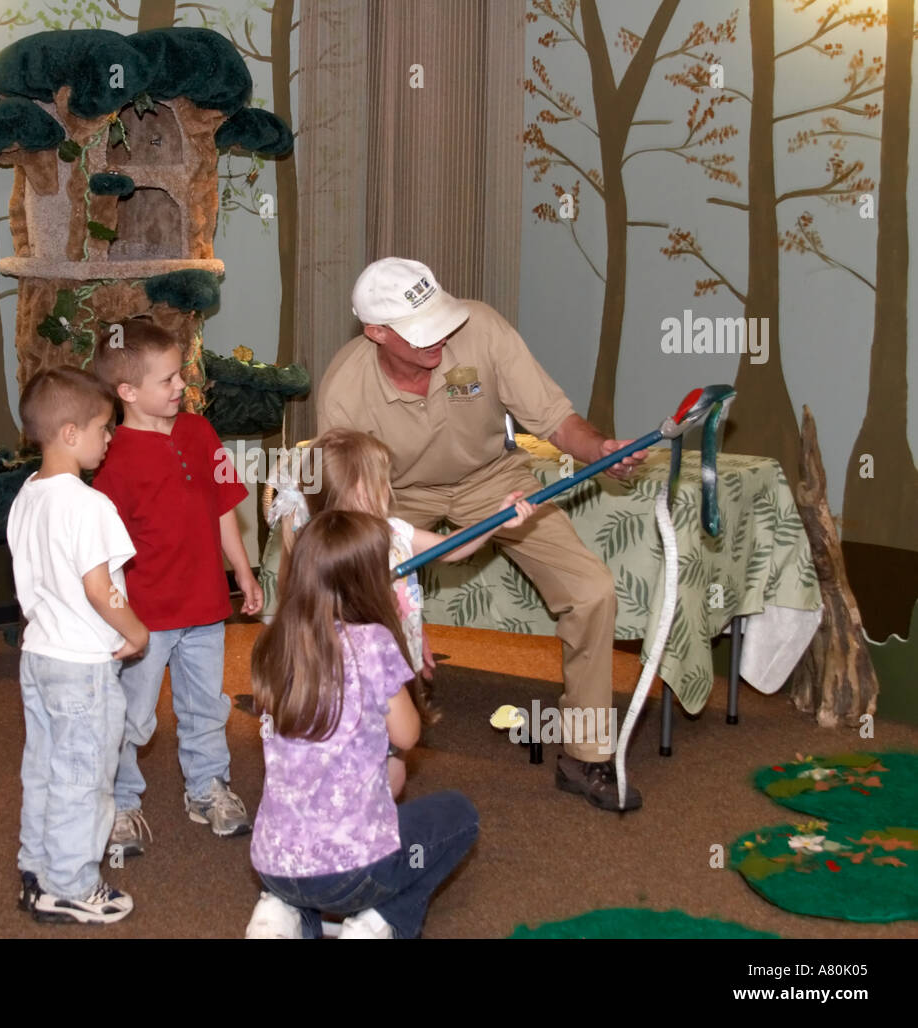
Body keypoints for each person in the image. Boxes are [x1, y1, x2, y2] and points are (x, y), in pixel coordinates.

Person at [317, 257, 649, 812]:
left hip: (494, 479)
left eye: (439, 320)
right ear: (376, 332)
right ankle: (349, 738)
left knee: (592, 590)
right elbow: (352, 504)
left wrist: (598, 449)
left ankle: (586, 754)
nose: (439, 339)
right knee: (358, 603)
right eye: (419, 331)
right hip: (396, 492)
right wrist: (396, 611)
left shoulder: (482, 328)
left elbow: (553, 416)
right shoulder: (345, 388)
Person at [245, 510, 480, 939]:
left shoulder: (275, 642)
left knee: (333, 829)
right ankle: (378, 923)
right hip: (354, 873)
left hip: (272, 865)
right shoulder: (373, 642)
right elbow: (407, 735)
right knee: (459, 817)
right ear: (367, 582)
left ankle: (282, 911)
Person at [269, 427, 534, 797]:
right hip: (349, 671)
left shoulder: (391, 531)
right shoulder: (323, 548)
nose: (389, 491)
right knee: (374, 762)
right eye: (383, 483)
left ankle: (361, 821)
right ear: (361, 491)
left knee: (389, 765)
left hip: (390, 664)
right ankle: (357, 824)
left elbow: (453, 548)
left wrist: (496, 521)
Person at [92, 319, 264, 856]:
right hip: (145, 620)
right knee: (131, 716)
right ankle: (118, 802)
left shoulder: (198, 432)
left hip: (206, 607)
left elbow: (221, 506)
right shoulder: (110, 459)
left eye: (179, 377)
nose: (180, 389)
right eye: (167, 381)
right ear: (127, 392)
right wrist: (119, 619)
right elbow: (102, 555)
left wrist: (241, 569)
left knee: (205, 706)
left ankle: (207, 788)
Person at [7, 366, 148, 925]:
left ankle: (38, 868)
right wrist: (135, 631)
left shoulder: (27, 496)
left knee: (43, 767)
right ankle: (71, 883)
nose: (109, 438)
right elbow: (100, 588)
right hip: (82, 666)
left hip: (38, 655)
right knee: (85, 778)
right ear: (70, 434)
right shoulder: (89, 505)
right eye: (103, 429)